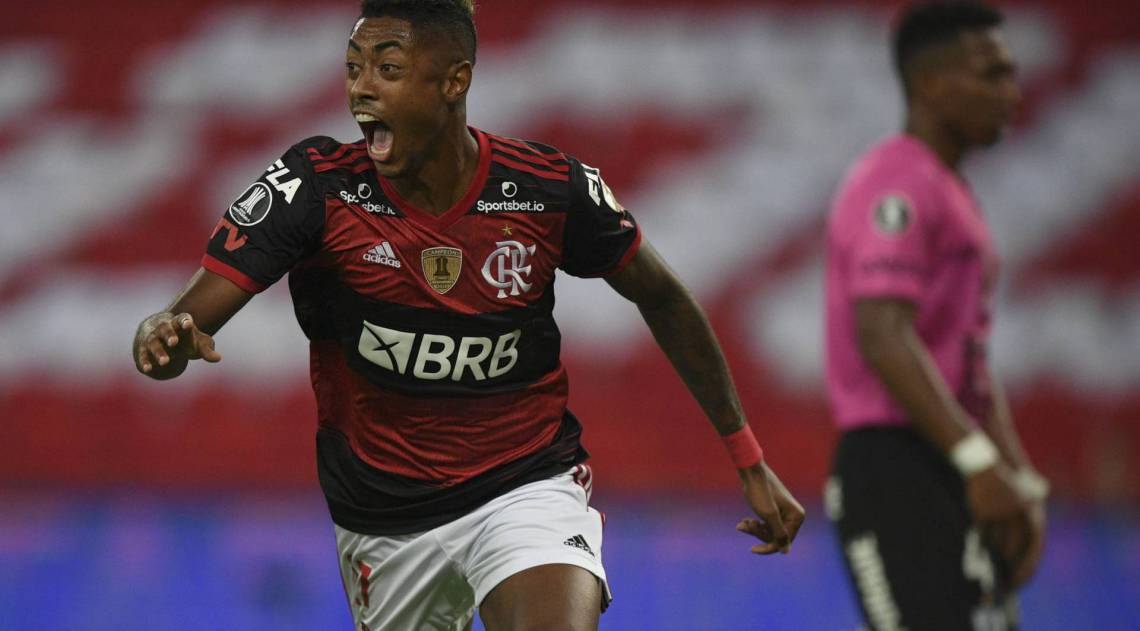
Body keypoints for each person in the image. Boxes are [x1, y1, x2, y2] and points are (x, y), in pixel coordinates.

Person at [132, 1, 805, 629]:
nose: (360, 89)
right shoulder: (317, 188)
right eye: (353, 68)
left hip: (527, 483)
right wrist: (164, 338)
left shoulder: (546, 189)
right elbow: (180, 324)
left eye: (387, 70)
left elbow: (660, 293)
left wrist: (747, 456)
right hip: (385, 520)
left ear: (454, 81)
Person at [823, 2, 1049, 629]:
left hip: (945, 453)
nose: (1012, 91)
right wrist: (980, 462)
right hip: (894, 466)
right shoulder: (896, 186)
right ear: (930, 83)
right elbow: (883, 333)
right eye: (992, 74)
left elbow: (968, 353)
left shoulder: (947, 189)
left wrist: (1015, 472)